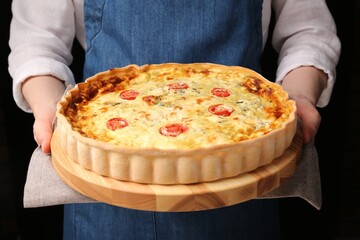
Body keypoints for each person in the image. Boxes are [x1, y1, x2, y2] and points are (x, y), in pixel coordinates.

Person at [8, 0, 341, 239]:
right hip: (103, 193)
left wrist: (299, 97)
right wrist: (47, 107)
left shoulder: (271, 115)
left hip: (245, 177)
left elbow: (308, 31)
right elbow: (37, 42)